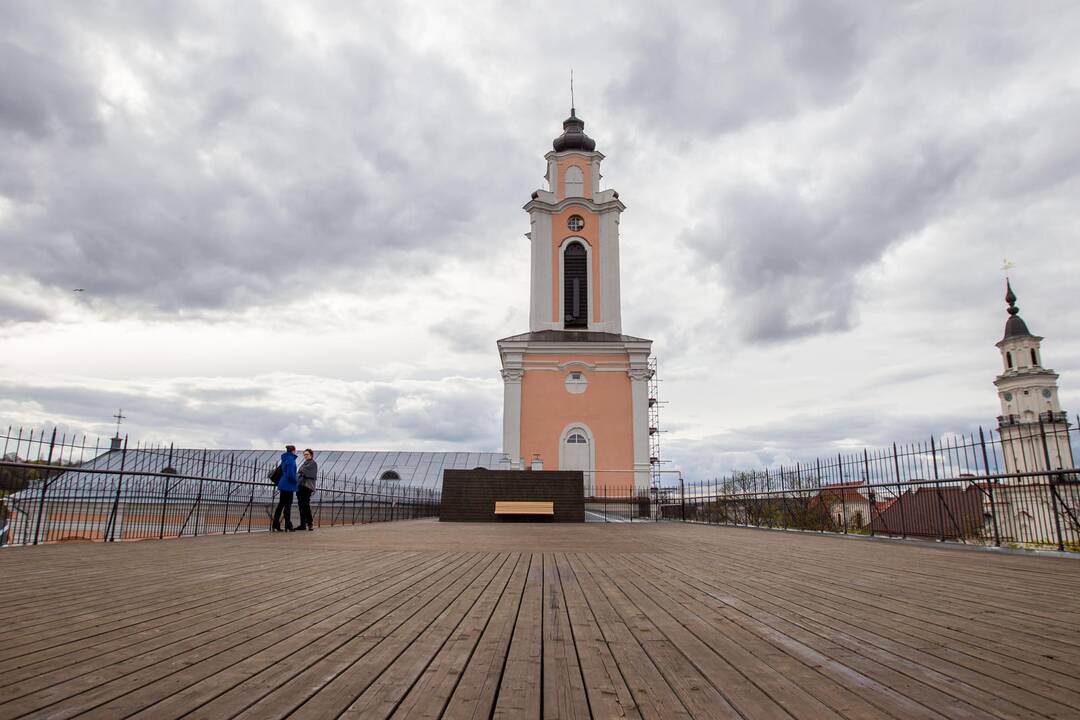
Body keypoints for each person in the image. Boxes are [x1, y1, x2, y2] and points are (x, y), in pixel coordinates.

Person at [272, 444, 299, 531]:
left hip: (283, 484)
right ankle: (288, 525)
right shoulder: (291, 460)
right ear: (293, 451)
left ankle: (276, 524)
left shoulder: (285, 458)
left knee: (281, 504)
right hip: (288, 485)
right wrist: (296, 481)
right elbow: (290, 474)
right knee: (287, 505)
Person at [296, 448, 318, 531]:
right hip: (301, 485)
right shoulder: (305, 463)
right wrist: (301, 472)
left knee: (305, 505)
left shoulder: (313, 463)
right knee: (301, 505)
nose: (305, 456)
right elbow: (300, 471)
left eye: (307, 454)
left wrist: (301, 471)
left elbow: (303, 471)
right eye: (304, 454)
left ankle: (310, 523)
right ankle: (303, 524)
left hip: (307, 486)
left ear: (311, 455)